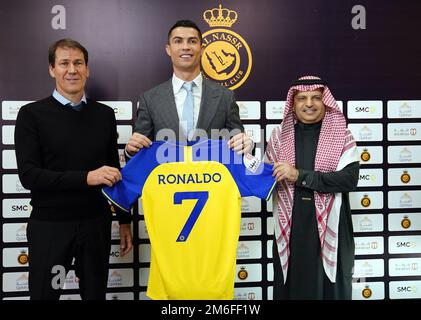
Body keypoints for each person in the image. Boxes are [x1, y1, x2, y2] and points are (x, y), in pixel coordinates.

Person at [14, 38, 132, 300]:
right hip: (51, 228)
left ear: (87, 69)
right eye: (64, 63)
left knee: (94, 296)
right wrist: (87, 178)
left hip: (95, 225)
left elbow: (114, 171)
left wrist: (124, 220)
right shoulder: (31, 115)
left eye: (78, 63)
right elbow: (30, 176)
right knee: (46, 296)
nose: (72, 70)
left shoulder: (104, 115)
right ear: (51, 69)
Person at [265, 76, 360, 300]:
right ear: (293, 103)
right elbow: (266, 179)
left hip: (332, 228)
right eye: (302, 98)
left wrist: (298, 175)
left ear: (325, 102)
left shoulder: (342, 135)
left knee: (330, 291)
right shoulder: (279, 137)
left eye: (316, 97)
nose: (309, 103)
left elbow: (348, 180)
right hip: (291, 227)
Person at [125, 19, 253, 158]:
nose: (185, 47)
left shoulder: (225, 97)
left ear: (202, 49)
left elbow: (239, 146)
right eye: (178, 41)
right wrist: (130, 151)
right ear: (168, 49)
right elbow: (139, 154)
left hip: (212, 178)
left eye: (192, 41)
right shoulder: (149, 99)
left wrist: (246, 146)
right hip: (167, 178)